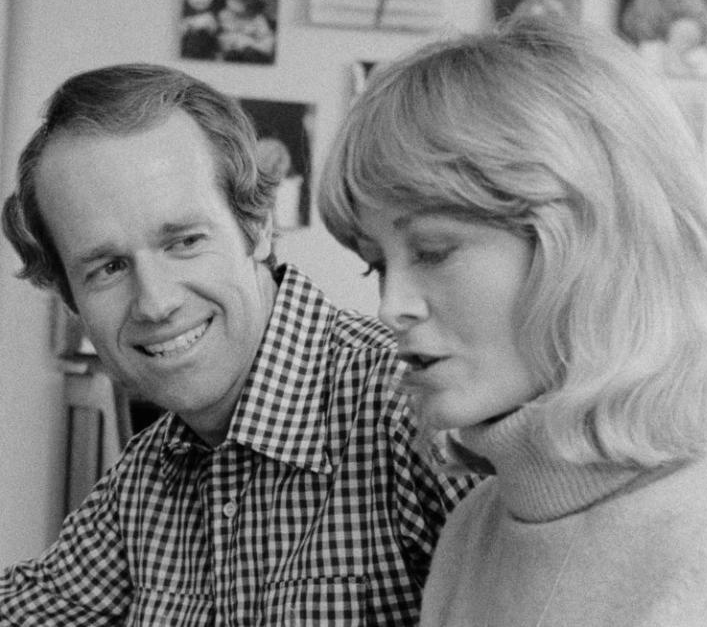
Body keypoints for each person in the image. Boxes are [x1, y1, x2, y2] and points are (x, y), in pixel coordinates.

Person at [317, 16, 707, 626]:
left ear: (588, 246)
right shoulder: (475, 527)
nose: (391, 307)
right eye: (375, 265)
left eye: (434, 251)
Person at [0, 64, 476, 625]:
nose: (155, 303)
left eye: (183, 241)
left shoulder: (414, 407)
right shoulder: (147, 478)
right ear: (71, 298)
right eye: (107, 267)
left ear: (258, 227)